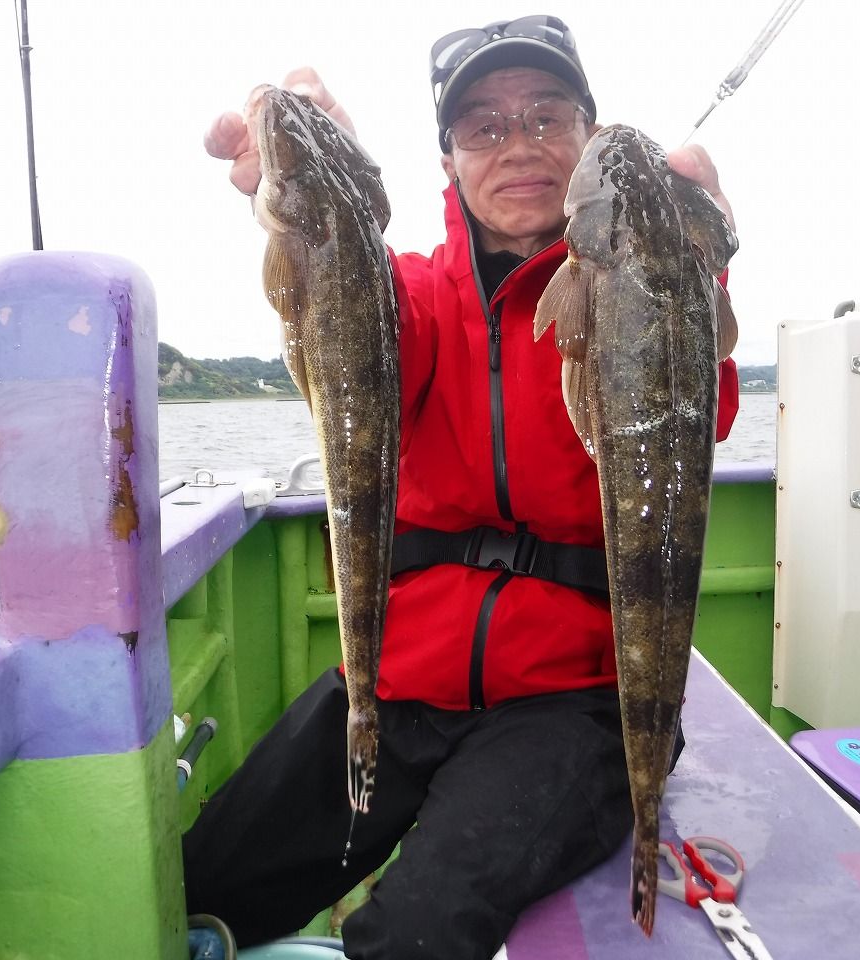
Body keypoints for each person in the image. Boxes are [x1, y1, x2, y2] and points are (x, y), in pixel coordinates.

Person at [183, 15, 741, 959]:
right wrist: (309, 210)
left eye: (546, 115)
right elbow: (359, 343)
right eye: (484, 126)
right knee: (196, 884)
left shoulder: (638, 274)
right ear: (447, 160)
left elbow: (702, 413)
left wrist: (701, 269)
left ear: (586, 136)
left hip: (572, 699)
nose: (519, 145)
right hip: (401, 676)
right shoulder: (413, 291)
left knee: (417, 932)